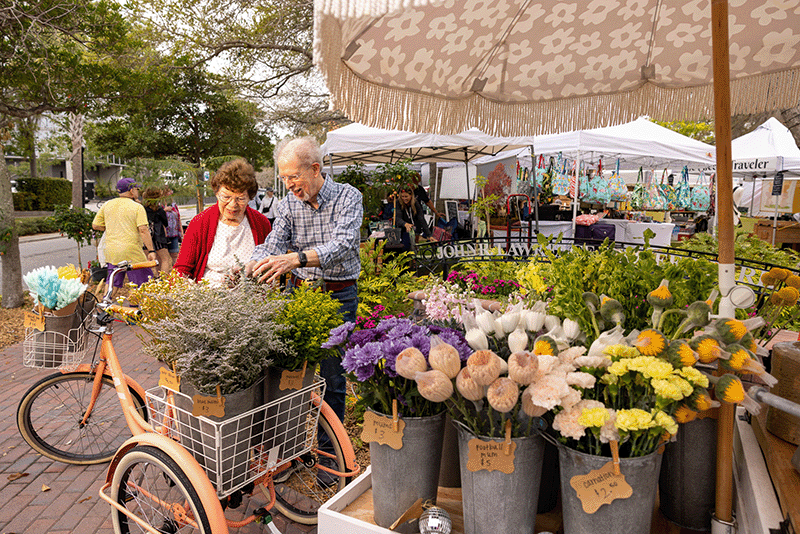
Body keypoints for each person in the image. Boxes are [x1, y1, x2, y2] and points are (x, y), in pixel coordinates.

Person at [246, 136, 363, 426]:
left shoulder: (348, 197)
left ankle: (331, 460)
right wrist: (252, 263)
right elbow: (273, 244)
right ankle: (291, 444)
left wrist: (295, 259)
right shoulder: (287, 205)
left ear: (314, 169)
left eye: (294, 176)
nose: (288, 184)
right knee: (289, 376)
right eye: (284, 178)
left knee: (333, 379)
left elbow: (344, 245)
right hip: (298, 294)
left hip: (338, 295)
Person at [174, 158, 271, 285]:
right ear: (216, 193)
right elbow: (181, 269)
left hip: (251, 299)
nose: (232, 205)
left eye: (240, 198)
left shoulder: (261, 223)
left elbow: (270, 263)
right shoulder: (200, 223)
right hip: (208, 298)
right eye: (226, 197)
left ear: (250, 197)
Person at [92, 177, 156, 292]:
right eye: (137, 189)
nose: (138, 191)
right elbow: (143, 230)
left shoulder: (107, 204)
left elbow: (96, 225)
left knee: (112, 281)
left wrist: (112, 227)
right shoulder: (137, 207)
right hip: (132, 251)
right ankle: (134, 308)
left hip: (112, 251)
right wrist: (151, 251)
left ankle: (106, 306)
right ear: (131, 190)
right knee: (139, 283)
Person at [141, 187, 172, 275]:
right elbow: (166, 223)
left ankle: (148, 281)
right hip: (159, 237)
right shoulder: (159, 210)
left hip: (146, 237)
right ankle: (162, 280)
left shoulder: (142, 209)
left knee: (147, 260)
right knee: (165, 259)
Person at [163, 187, 183, 265]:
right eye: (169, 191)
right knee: (164, 256)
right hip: (164, 234)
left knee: (175, 253)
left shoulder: (174, 205)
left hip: (174, 233)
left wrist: (181, 231)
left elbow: (178, 218)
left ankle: (175, 270)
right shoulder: (159, 205)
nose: (171, 193)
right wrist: (164, 210)